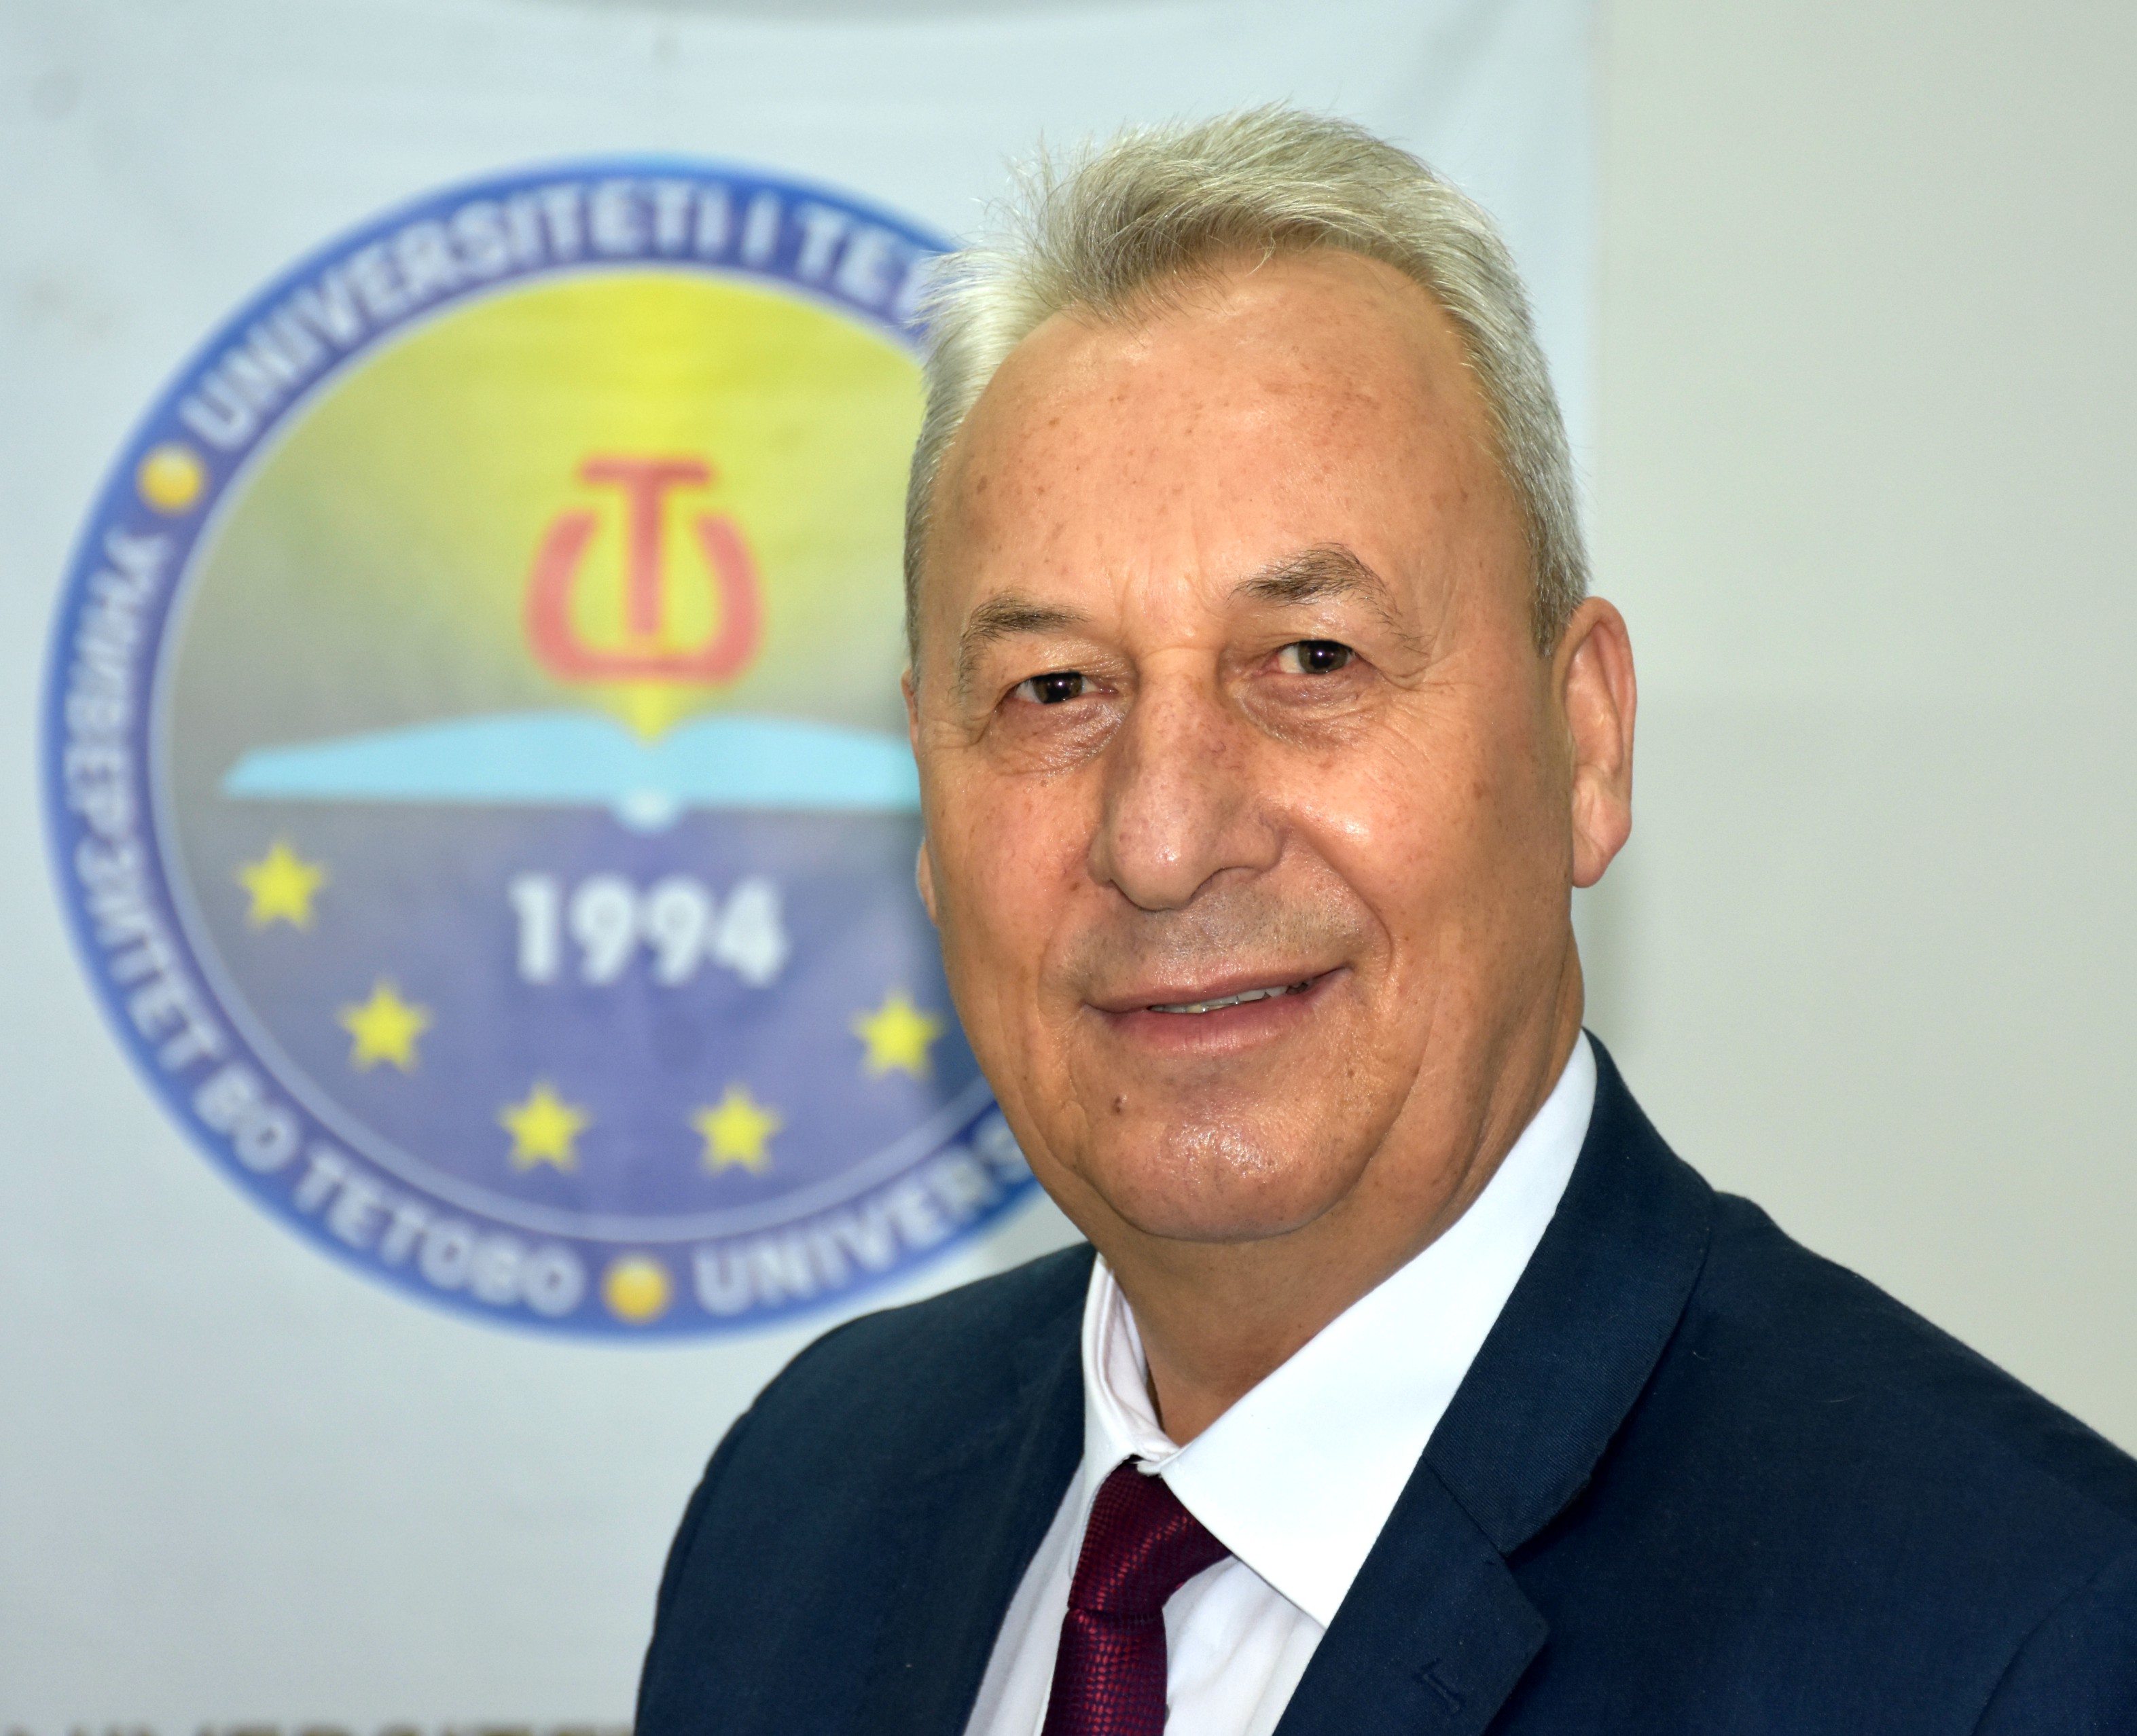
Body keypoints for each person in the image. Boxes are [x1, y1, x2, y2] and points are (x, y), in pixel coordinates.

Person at [636, 107, 2137, 1734]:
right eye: (1053, 689)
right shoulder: (803, 1503)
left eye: (1312, 661)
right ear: (927, 795)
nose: (1162, 841)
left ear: (1583, 743)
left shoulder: (2016, 1640)